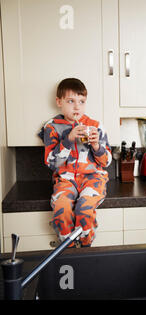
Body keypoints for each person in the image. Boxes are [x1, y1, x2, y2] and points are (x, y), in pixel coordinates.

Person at [39, 78, 112, 247]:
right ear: (59, 102)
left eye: (82, 101)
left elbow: (106, 161)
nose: (77, 107)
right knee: (61, 207)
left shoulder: (96, 126)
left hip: (93, 178)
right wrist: (69, 139)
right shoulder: (52, 127)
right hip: (66, 179)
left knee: (84, 208)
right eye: (71, 101)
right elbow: (52, 163)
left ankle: (85, 247)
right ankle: (68, 248)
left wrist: (96, 145)